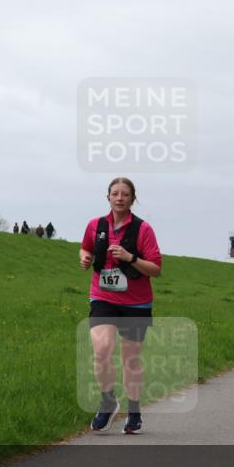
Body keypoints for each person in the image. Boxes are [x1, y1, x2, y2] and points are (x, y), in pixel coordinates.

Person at [79, 178, 162, 434]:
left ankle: (134, 410)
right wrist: (85, 258)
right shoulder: (95, 225)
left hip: (136, 303)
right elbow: (85, 249)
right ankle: (108, 401)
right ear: (108, 197)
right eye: (115, 193)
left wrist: (130, 258)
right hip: (103, 297)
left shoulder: (143, 229)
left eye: (125, 194)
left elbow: (156, 269)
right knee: (101, 350)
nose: (119, 198)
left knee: (130, 359)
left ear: (132, 198)